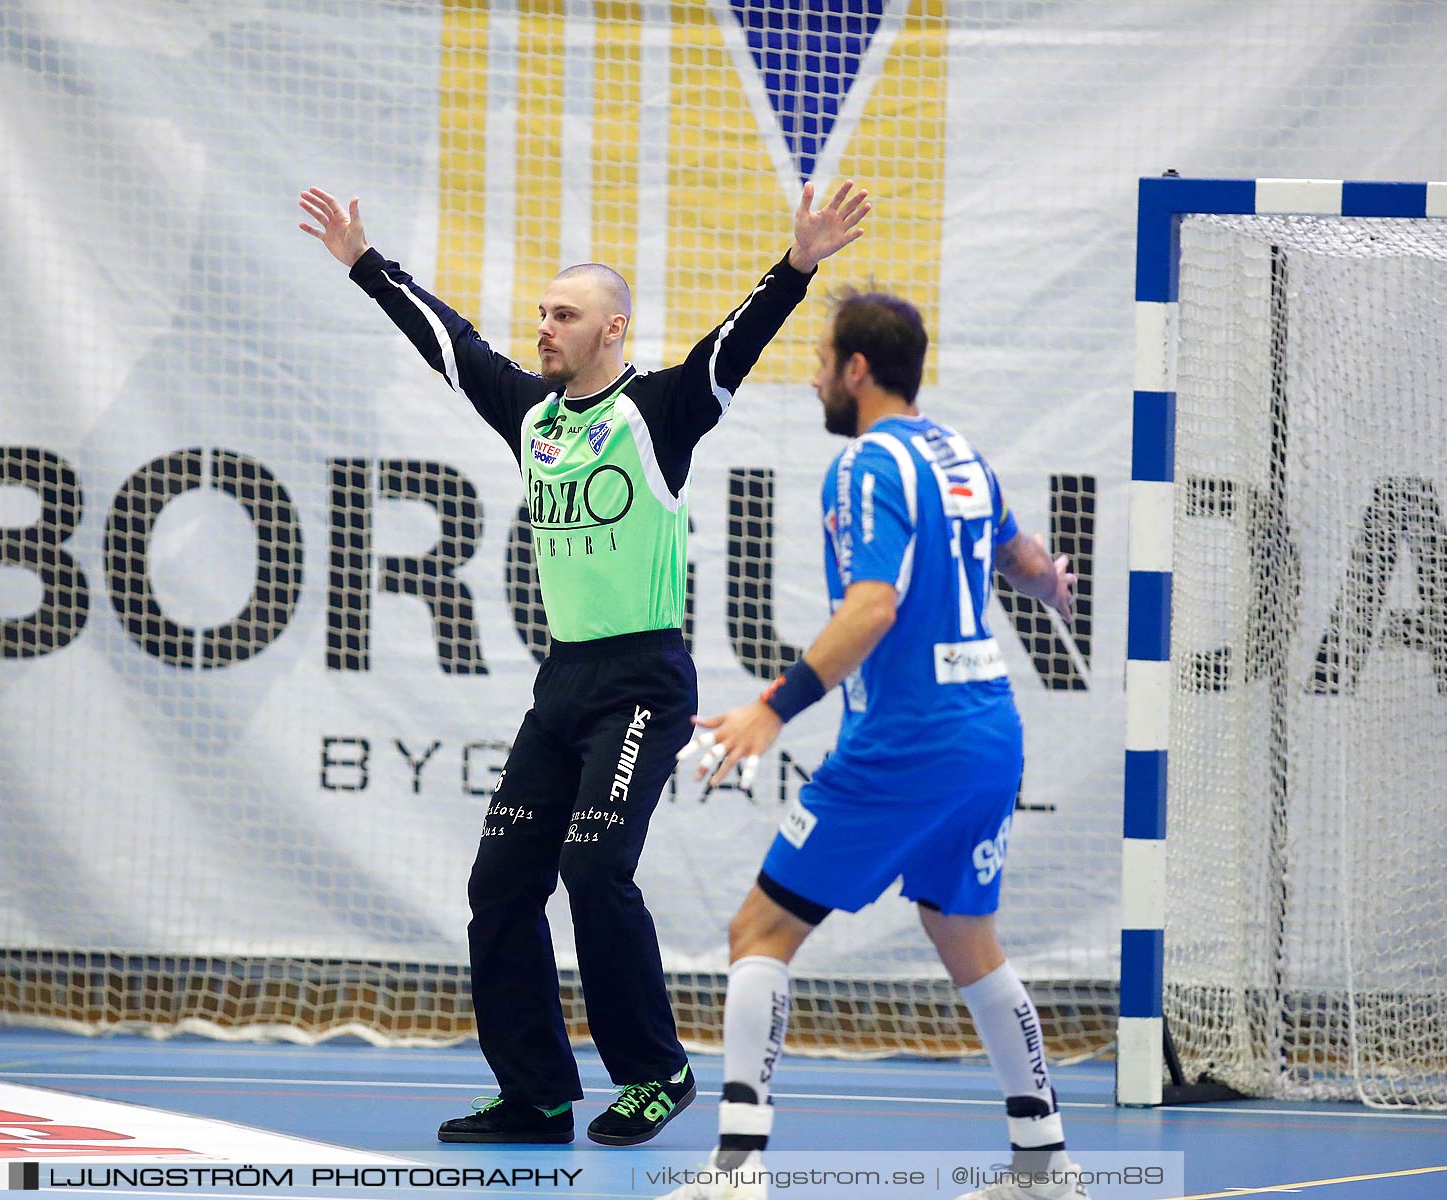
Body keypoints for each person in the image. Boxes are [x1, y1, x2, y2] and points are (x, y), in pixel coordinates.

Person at [297, 181, 871, 1146]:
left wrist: (798, 266)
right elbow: (451, 344)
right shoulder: (533, 416)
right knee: (501, 883)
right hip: (561, 683)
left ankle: (655, 1072)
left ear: (614, 328)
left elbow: (731, 346)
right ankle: (536, 1094)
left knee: (595, 868)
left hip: (643, 682)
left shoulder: (658, 412)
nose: (545, 329)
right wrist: (364, 263)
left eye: (564, 315)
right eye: (542, 314)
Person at [666, 290, 1086, 1199]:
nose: (814, 373)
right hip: (988, 735)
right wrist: (1050, 580)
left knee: (760, 928)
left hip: (910, 739)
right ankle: (1046, 1167)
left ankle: (735, 1174)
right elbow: (1015, 553)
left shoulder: (865, 467)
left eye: (821, 358)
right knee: (965, 932)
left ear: (857, 369)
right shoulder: (959, 453)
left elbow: (872, 608)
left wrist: (773, 707)